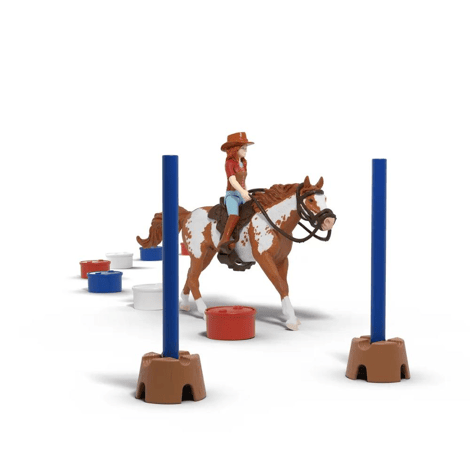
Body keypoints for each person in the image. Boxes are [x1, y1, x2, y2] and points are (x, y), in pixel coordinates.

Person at [217, 132, 254, 251]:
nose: (245, 150)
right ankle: (225, 239)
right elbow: (232, 180)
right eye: (243, 148)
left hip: (242, 193)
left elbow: (243, 180)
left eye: (246, 148)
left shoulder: (243, 163)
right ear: (235, 149)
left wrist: (246, 192)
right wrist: (242, 192)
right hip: (232, 195)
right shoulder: (229, 163)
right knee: (234, 214)